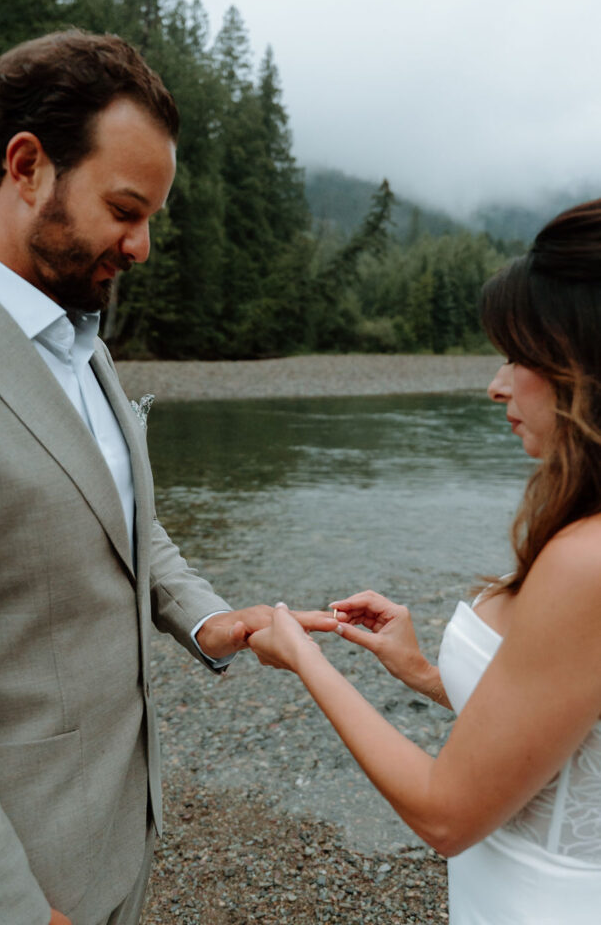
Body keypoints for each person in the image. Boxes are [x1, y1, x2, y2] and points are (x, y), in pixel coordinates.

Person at [0, 29, 334, 925]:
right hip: (12, 878)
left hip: (113, 842)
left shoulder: (80, 338)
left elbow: (123, 519)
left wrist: (212, 619)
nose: (142, 247)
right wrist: (4, 909)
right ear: (26, 166)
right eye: (125, 209)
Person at [249, 200, 601, 923]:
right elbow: (563, 725)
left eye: (517, 356)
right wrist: (419, 673)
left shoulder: (584, 562)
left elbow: (447, 816)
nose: (496, 385)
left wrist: (305, 659)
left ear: (581, 366)